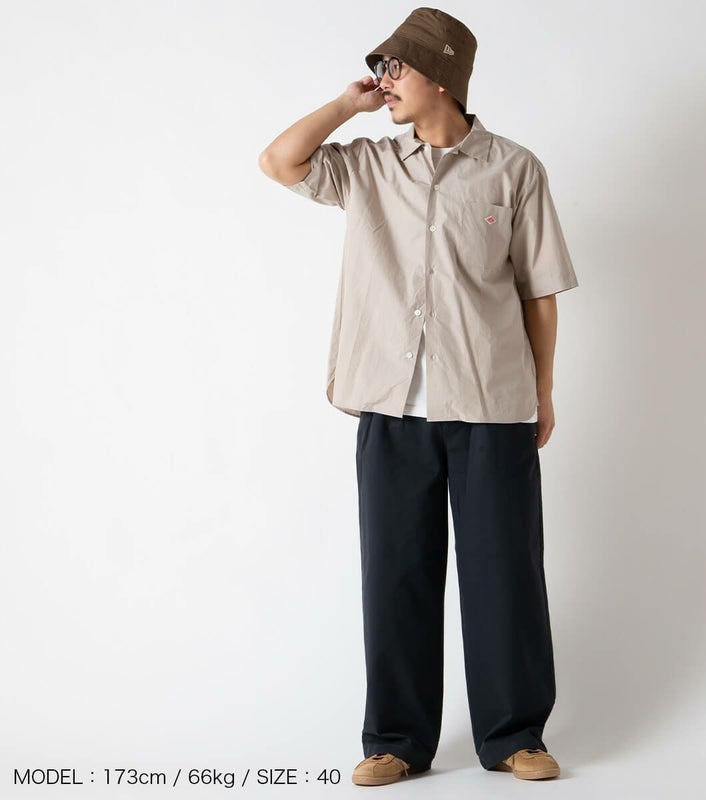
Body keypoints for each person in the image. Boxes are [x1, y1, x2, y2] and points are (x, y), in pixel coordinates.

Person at [258, 7, 579, 786]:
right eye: (381, 68)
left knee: (505, 575)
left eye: (395, 67)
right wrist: (347, 106)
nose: (384, 80)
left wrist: (542, 391)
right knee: (396, 573)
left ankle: (515, 735)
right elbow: (279, 161)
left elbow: (539, 292)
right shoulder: (367, 165)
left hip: (492, 406)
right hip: (391, 405)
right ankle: (396, 741)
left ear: (441, 75)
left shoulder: (514, 169)